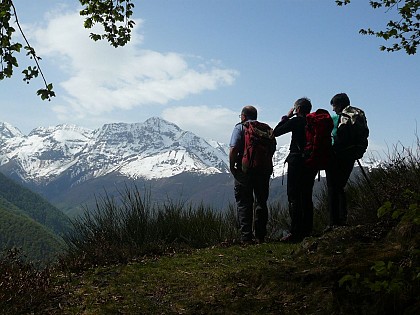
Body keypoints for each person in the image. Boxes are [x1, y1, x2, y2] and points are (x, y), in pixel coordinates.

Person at [273, 97, 317, 242]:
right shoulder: (314, 122)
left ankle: (295, 232)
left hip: (297, 161)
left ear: (297, 109)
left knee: (294, 196)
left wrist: (287, 117)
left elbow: (276, 132)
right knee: (306, 196)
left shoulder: (296, 121)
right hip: (311, 162)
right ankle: (308, 230)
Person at [229, 105, 273, 244]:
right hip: (263, 170)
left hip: (245, 171)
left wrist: (232, 167)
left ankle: (246, 237)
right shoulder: (265, 129)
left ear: (243, 116)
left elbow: (233, 149)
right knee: (261, 202)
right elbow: (272, 148)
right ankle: (260, 236)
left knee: (244, 203)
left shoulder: (240, 128)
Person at [326, 92, 355, 227]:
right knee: (340, 187)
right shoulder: (356, 115)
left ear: (339, 105)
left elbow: (338, 136)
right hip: (352, 154)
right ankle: (343, 219)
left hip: (338, 155)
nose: (333, 109)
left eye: (334, 106)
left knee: (333, 188)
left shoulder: (340, 118)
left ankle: (334, 222)